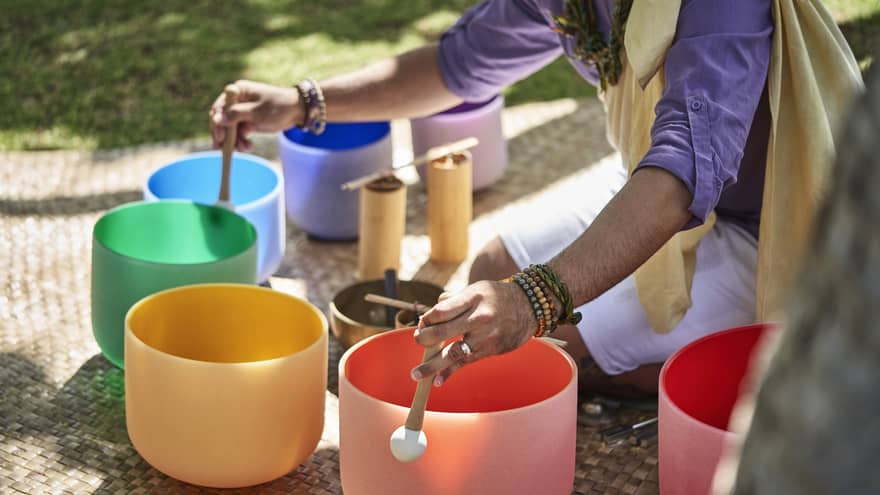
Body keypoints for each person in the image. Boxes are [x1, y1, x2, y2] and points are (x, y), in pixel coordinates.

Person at [209, 0, 860, 397]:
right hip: (670, 192)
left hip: (780, 222)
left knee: (545, 349)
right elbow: (455, 66)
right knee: (492, 270)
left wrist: (536, 300)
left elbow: (680, 176)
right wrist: (304, 103)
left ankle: (741, 370)